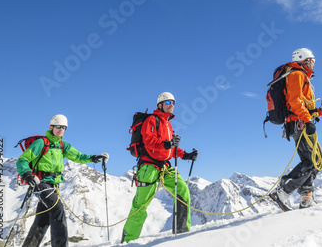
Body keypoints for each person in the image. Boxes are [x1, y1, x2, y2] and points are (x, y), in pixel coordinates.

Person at [16, 114, 109, 247]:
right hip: (41, 183)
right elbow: (22, 160)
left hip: (54, 185)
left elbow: (78, 156)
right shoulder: (41, 143)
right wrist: (27, 174)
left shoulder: (61, 145)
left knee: (42, 220)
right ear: (51, 127)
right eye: (58, 126)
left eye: (64, 127)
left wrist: (93, 158)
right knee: (57, 208)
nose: (61, 130)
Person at [122, 92, 198, 243]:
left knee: (183, 191)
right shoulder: (152, 120)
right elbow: (150, 142)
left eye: (173, 102)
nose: (171, 105)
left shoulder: (168, 125)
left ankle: (182, 231)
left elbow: (170, 149)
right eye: (168, 102)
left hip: (165, 166)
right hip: (149, 167)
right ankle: (128, 242)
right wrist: (168, 144)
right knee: (140, 205)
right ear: (160, 105)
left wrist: (185, 155)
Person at [270, 48, 322, 210]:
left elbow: (303, 104)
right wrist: (307, 120)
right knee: (313, 161)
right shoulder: (297, 75)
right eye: (312, 60)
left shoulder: (301, 76)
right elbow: (295, 101)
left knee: (312, 161)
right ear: (305, 60)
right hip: (300, 123)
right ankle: (284, 190)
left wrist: (320, 111)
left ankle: (306, 196)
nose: (313, 63)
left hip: (299, 122)